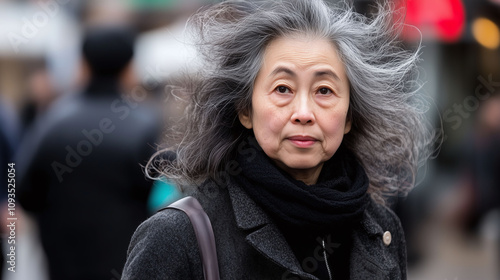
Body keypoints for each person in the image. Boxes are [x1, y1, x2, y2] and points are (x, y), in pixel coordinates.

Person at [122, 0, 434, 279]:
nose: (303, 112)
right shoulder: (178, 235)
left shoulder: (381, 230)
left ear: (350, 115)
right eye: (282, 89)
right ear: (246, 109)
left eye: (324, 91)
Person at [17, 26, 161, 280]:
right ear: (129, 69)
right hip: (126, 266)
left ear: (82, 64)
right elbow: (159, 199)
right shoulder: (145, 125)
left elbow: (22, 190)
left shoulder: (51, 121)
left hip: (62, 267)